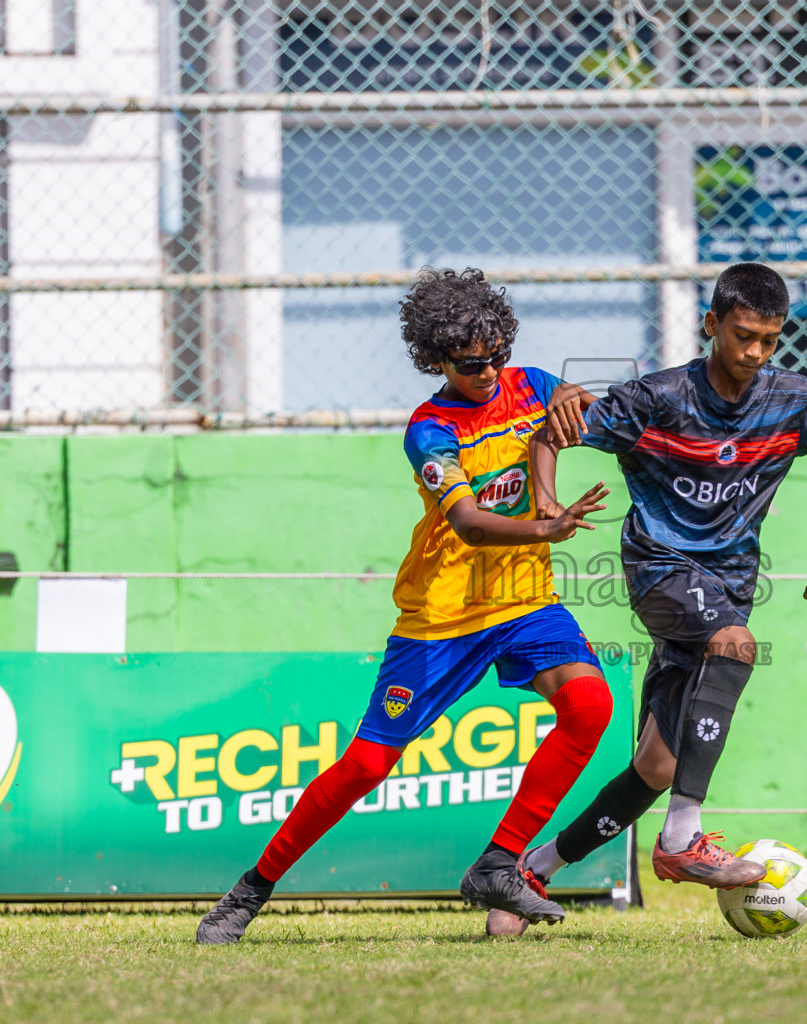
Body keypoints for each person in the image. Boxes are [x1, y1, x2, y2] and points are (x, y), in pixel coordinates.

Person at [196, 268, 613, 944]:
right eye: (470, 363)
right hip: (443, 616)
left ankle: (499, 863)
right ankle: (250, 890)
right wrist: (547, 527)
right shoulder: (429, 431)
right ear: (436, 360)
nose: (487, 371)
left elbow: (566, 416)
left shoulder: (528, 384)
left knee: (590, 705)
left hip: (524, 601)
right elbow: (472, 524)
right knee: (366, 765)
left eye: (496, 355)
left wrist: (580, 402)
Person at [492, 262, 807, 933]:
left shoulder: (792, 399)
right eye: (743, 335)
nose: (754, 353)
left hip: (730, 585)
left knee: (656, 767)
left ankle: (531, 870)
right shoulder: (654, 399)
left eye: (769, 341)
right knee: (736, 646)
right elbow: (549, 433)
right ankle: (682, 838)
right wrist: (545, 502)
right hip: (658, 569)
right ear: (711, 324)